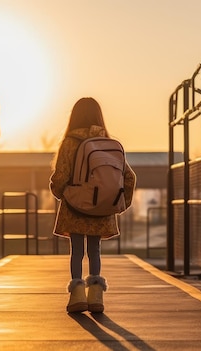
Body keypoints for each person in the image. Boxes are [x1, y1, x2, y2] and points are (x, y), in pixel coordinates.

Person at [49, 97, 136, 313]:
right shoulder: (107, 143)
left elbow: (60, 176)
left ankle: (77, 296)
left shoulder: (69, 143)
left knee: (77, 251)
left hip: (75, 205)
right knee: (95, 250)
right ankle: (96, 297)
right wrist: (119, 203)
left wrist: (63, 194)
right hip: (102, 208)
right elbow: (129, 177)